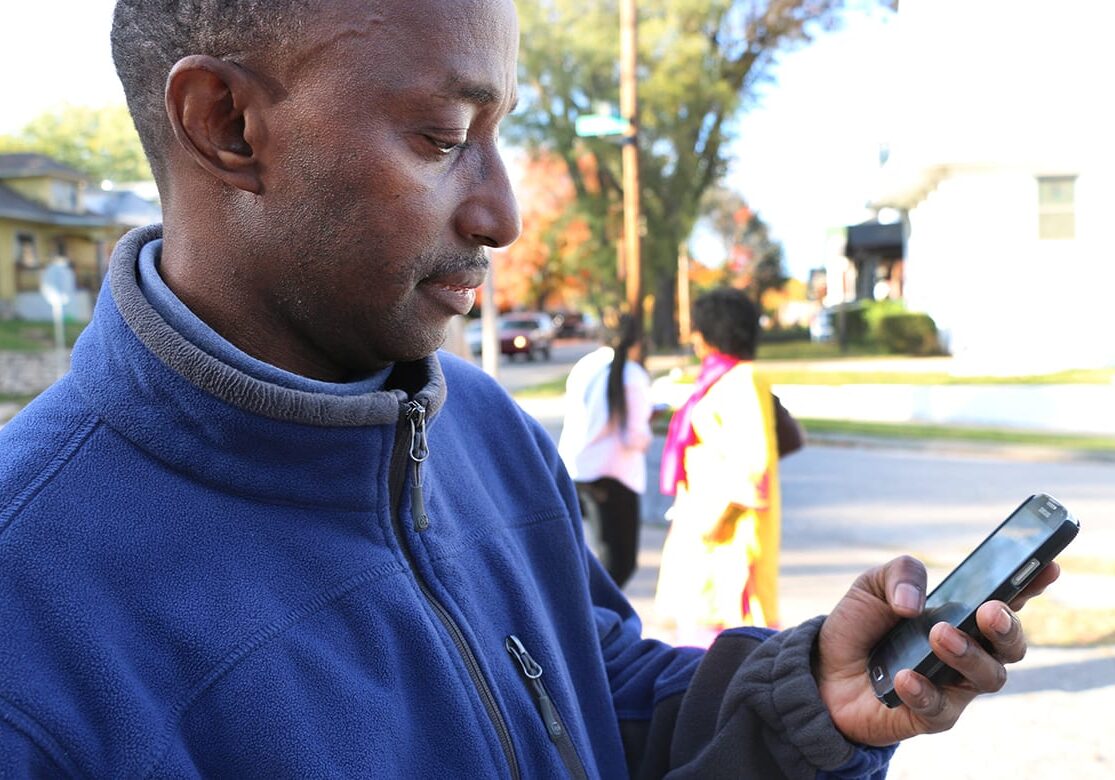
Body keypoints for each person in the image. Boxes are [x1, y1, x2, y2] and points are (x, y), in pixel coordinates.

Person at [0, 0, 1058, 776]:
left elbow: (586, 699)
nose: (501, 214)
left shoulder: (484, 426)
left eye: (498, 131)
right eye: (441, 139)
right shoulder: (31, 612)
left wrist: (803, 704)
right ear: (225, 124)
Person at [655, 287, 784, 644]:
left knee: (730, 641)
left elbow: (754, 462)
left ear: (713, 332)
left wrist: (719, 520)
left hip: (729, 535)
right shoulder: (716, 379)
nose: (693, 338)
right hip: (704, 530)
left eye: (697, 329)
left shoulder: (743, 379)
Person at [558, 314, 652, 588]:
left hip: (578, 470)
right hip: (614, 476)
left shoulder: (586, 365)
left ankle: (593, 616)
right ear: (637, 341)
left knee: (597, 554)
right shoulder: (631, 374)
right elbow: (635, 437)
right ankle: (596, 622)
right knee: (619, 563)